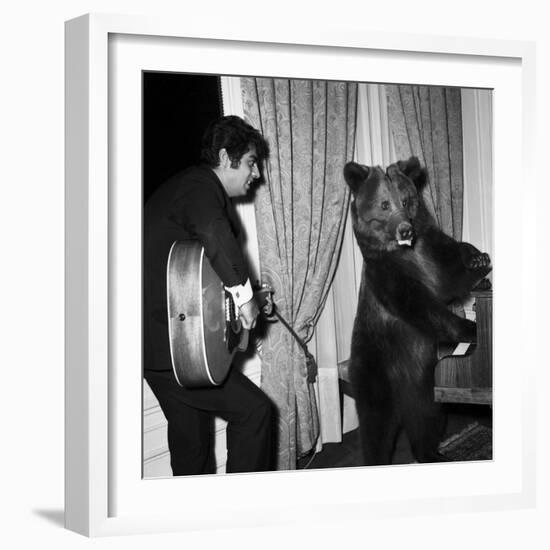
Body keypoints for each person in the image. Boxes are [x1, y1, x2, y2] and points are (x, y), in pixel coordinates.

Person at [143, 115, 273, 475]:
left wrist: (252, 298)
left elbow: (198, 282)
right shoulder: (199, 185)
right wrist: (246, 298)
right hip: (172, 352)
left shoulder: (185, 192)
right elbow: (213, 234)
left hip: (161, 350)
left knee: (192, 447)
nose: (257, 173)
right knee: (255, 412)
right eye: (250, 162)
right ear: (224, 157)